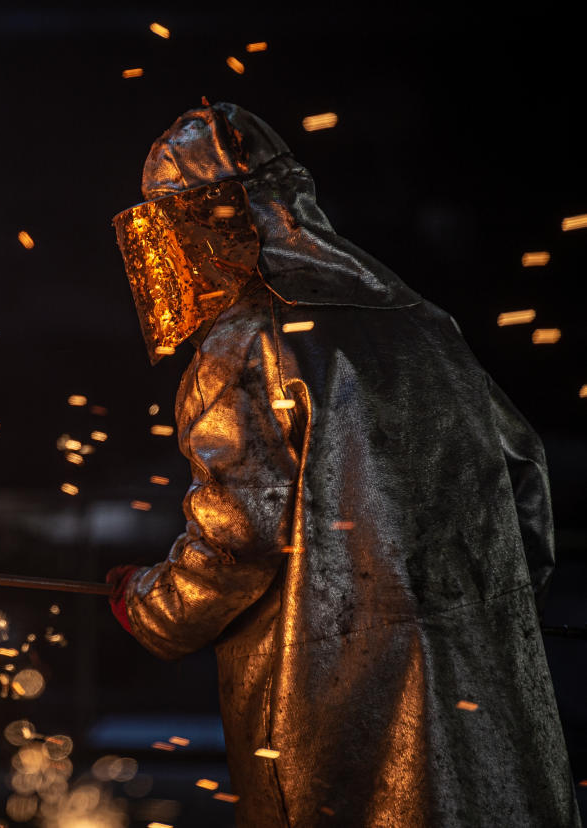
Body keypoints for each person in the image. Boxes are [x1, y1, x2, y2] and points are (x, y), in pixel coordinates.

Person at [106, 100, 581, 827]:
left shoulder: (251, 344)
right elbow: (526, 496)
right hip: (490, 703)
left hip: (335, 715)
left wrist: (154, 605)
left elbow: (237, 541)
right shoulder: (423, 324)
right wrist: (472, 620)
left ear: (207, 226)